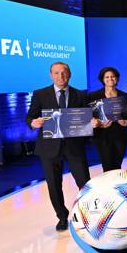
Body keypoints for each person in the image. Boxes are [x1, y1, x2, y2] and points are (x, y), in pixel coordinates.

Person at [26, 62, 96, 231]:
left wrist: (92, 122)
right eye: (56, 73)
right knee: (54, 185)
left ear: (70, 74)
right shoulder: (40, 94)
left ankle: (88, 215)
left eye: (64, 73)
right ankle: (62, 217)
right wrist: (33, 123)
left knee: (84, 183)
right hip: (49, 148)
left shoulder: (80, 95)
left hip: (74, 146)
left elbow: (86, 117)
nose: (61, 76)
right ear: (51, 75)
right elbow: (30, 117)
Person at [87, 66, 127, 172]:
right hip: (102, 135)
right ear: (102, 79)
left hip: (119, 134)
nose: (110, 79)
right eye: (107, 77)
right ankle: (109, 187)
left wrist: (126, 122)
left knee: (118, 165)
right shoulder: (93, 96)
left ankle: (117, 187)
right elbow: (88, 115)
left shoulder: (123, 95)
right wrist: (98, 123)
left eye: (113, 76)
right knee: (107, 166)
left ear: (117, 79)